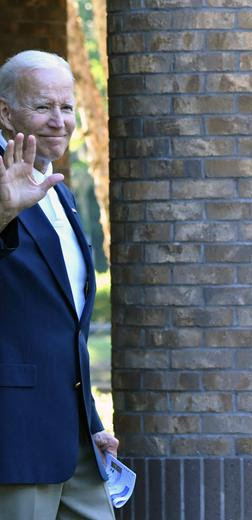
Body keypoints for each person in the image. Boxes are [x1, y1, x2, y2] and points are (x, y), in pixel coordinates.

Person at [0, 50, 118, 519]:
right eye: (43, 107)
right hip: (15, 438)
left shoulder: (61, 190)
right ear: (5, 112)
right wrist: (4, 212)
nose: (59, 121)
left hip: (74, 441)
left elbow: (65, 327)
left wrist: (89, 420)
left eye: (67, 108)